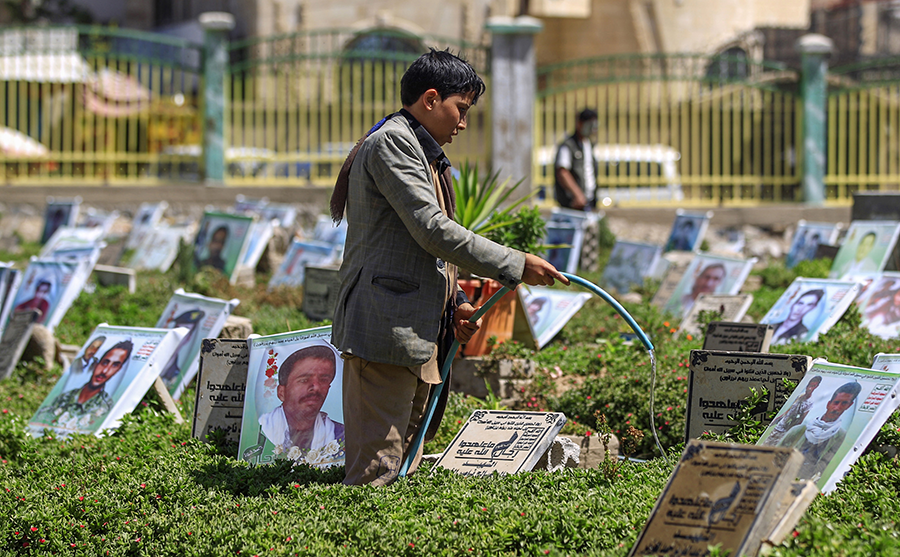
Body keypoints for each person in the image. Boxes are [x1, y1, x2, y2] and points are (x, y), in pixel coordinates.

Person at [329, 49, 567, 487]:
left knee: (402, 469)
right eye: (461, 109)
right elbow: (432, 230)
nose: (462, 123)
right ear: (431, 99)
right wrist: (514, 263)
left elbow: (427, 245)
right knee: (375, 476)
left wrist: (454, 300)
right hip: (385, 331)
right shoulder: (394, 143)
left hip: (415, 331)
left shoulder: (424, 149)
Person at [258, 345, 344, 459]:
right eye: (304, 380)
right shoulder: (260, 430)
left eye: (323, 380)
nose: (316, 387)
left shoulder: (342, 436)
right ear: (281, 392)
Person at [35, 340, 133, 430]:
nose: (105, 371)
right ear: (96, 364)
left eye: (115, 365)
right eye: (105, 363)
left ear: (119, 370)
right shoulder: (65, 396)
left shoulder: (106, 406)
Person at [777, 381, 861, 480]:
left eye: (844, 403)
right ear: (828, 404)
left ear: (849, 405)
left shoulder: (840, 435)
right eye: (836, 402)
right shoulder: (799, 430)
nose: (837, 408)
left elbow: (826, 464)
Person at [554, 108, 598, 210]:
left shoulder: (588, 145)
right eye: (589, 125)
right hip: (573, 202)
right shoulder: (569, 145)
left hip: (589, 200)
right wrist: (577, 194)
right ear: (579, 123)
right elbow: (563, 172)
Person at [765, 375, 822, 444]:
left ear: (816, 387)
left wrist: (789, 432)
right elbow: (788, 411)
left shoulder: (810, 402)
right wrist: (775, 421)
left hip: (785, 431)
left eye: (813, 386)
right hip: (778, 427)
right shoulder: (800, 396)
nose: (810, 388)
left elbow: (801, 420)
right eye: (810, 385)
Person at [159, 309, 205, 388]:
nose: (178, 335)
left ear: (188, 338)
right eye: (177, 328)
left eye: (184, 331)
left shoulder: (176, 374)